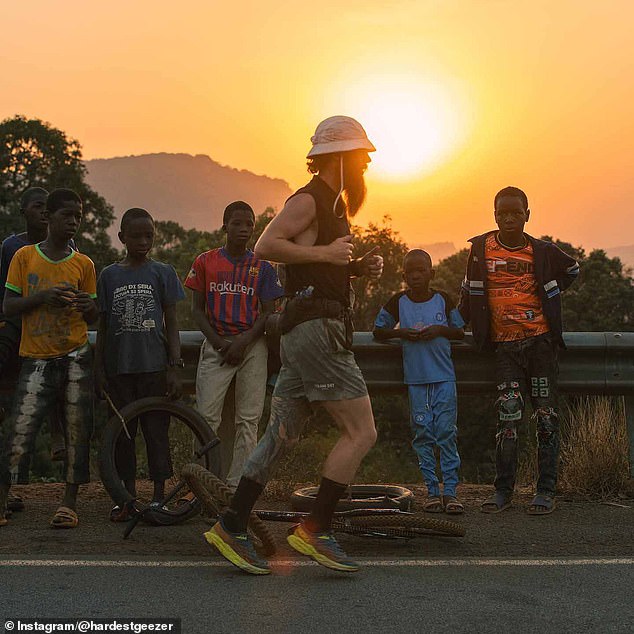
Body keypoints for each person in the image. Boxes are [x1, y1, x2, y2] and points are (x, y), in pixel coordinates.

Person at [204, 115, 383, 575]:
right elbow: (267, 244)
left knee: (278, 435)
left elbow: (311, 265)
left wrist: (353, 268)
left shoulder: (335, 204)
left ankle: (231, 524)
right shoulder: (309, 199)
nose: (365, 166)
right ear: (339, 157)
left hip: (305, 332)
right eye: (361, 158)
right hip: (318, 332)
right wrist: (327, 254)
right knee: (361, 432)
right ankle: (315, 529)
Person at [458, 186, 579, 516]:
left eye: (516, 213)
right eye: (502, 213)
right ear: (494, 215)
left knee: (546, 419)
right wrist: (454, 322)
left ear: (528, 215)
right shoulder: (481, 249)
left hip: (540, 345)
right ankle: (503, 490)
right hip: (505, 349)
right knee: (508, 418)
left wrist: (548, 290)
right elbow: (469, 293)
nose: (509, 218)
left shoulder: (541, 251)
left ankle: (545, 489)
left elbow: (572, 270)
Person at [0, 188, 98, 528]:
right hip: (36, 357)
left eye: (78, 217)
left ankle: (68, 504)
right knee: (19, 430)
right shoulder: (24, 257)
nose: (72, 222)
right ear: (50, 217)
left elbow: (93, 315)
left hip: (75, 356)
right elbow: (9, 307)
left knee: (76, 430)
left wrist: (89, 307)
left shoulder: (84, 263)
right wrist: (43, 297)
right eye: (66, 216)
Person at [94, 208, 185, 520]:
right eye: (136, 236)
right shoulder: (108, 276)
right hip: (119, 370)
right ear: (122, 238)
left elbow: (172, 322)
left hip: (154, 367)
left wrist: (174, 366)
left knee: (156, 433)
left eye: (149, 235)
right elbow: (103, 327)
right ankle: (127, 498)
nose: (143, 241)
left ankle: (159, 498)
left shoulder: (163, 272)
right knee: (122, 436)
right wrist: (99, 370)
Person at [185, 201, 284, 490]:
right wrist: (218, 343)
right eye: (237, 223)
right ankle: (201, 482)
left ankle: (236, 486)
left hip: (252, 346)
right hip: (217, 343)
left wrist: (243, 341)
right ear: (224, 225)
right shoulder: (205, 261)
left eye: (249, 224)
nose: (244, 229)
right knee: (206, 417)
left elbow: (267, 313)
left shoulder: (263, 267)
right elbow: (197, 310)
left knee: (248, 420)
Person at [373, 249, 465, 514]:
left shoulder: (443, 300)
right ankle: (432, 492)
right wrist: (401, 332)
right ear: (403, 275)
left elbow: (459, 330)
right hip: (416, 381)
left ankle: (451, 492)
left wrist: (439, 330)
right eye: (410, 272)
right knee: (423, 435)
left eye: (421, 271)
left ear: (431, 274)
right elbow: (378, 331)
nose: (415, 276)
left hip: (444, 378)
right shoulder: (397, 302)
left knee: (447, 433)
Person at [0, 187, 69, 470]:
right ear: (23, 213)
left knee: (60, 370)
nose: (42, 212)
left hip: (50, 324)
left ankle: (57, 433)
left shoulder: (68, 247)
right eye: (37, 206)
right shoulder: (12, 247)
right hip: (17, 322)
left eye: (46, 208)